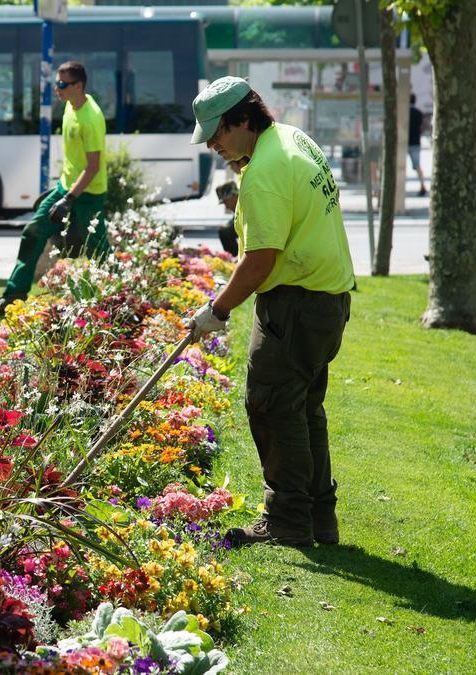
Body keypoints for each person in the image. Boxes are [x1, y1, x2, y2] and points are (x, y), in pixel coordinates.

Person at [186, 77, 356, 548]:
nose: (215, 145)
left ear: (243, 120)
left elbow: (260, 260)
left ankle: (286, 520)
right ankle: (320, 520)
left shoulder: (264, 171)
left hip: (297, 304)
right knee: (303, 409)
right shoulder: (289, 138)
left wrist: (215, 311)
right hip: (326, 299)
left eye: (218, 133)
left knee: (272, 404)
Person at [0, 61, 109, 317]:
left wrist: (69, 200)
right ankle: (13, 295)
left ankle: (121, 296)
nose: (57, 89)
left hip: (89, 195)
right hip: (66, 187)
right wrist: (62, 193)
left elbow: (93, 167)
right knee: (33, 231)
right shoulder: (70, 106)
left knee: (99, 251)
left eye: (62, 84)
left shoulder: (91, 118)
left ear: (79, 85)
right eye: (56, 83)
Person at [408, 94, 428, 197]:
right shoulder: (418, 113)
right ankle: (422, 185)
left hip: (404, 142)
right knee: (417, 165)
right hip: (416, 142)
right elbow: (423, 126)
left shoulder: (404, 112)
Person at [214, 180, 239, 257]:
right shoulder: (237, 209)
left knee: (225, 232)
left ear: (234, 196)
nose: (226, 207)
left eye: (226, 202)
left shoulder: (245, 207)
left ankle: (235, 257)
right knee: (224, 230)